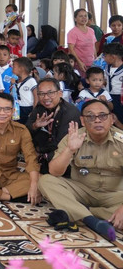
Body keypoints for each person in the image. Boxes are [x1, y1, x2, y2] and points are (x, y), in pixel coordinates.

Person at [38, 100, 123, 241]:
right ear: (82, 121)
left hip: (115, 195)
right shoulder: (74, 137)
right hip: (83, 191)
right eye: (90, 117)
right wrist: (70, 150)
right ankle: (92, 221)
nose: (97, 120)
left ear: (111, 119)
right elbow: (54, 172)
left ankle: (80, 211)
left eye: (102, 116)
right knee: (46, 181)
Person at [26, 78, 81, 175]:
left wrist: (38, 151)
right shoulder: (40, 107)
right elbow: (26, 131)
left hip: (62, 157)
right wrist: (35, 126)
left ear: (60, 93)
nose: (46, 97)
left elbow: (61, 143)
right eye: (41, 94)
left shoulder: (70, 112)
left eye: (50, 93)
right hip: (41, 153)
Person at [67, 8, 96, 76]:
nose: (83, 18)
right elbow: (71, 49)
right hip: (80, 65)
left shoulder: (91, 31)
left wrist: (96, 59)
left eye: (85, 16)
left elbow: (93, 46)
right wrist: (79, 62)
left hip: (92, 63)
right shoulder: (72, 32)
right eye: (80, 16)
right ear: (75, 19)